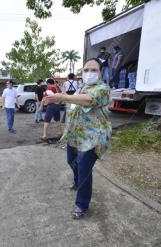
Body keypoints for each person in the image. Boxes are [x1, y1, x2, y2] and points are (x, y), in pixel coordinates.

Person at [45, 58, 112, 219]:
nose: (89, 73)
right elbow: (74, 103)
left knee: (84, 169)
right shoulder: (81, 87)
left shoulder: (102, 88)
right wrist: (60, 97)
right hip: (75, 135)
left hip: (93, 137)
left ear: (100, 73)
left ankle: (81, 205)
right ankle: (77, 181)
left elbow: (89, 100)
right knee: (71, 161)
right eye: (86, 70)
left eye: (94, 70)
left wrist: (63, 97)